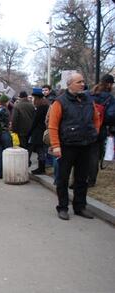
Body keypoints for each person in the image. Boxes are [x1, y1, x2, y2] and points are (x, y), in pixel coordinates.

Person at [48, 72, 101, 220]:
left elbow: (96, 119)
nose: (82, 84)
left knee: (81, 179)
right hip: (67, 146)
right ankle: (62, 207)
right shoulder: (60, 102)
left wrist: (93, 133)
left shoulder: (88, 100)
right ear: (69, 84)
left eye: (83, 81)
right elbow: (53, 126)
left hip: (85, 145)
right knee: (63, 179)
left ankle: (80, 207)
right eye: (79, 82)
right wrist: (56, 146)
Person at [87, 74, 114, 186]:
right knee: (94, 156)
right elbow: (110, 116)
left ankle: (79, 178)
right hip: (99, 130)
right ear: (109, 84)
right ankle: (91, 180)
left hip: (84, 129)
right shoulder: (110, 98)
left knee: (82, 154)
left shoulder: (89, 94)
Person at [29, 88, 49, 174]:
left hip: (39, 133)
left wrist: (29, 131)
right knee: (41, 151)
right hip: (42, 132)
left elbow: (35, 121)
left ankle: (41, 168)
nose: (33, 100)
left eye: (34, 98)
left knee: (40, 151)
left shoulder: (41, 108)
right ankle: (41, 168)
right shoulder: (45, 106)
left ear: (37, 98)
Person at [11, 91, 35, 157]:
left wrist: (14, 130)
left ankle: (23, 161)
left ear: (20, 97)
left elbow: (14, 119)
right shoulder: (32, 105)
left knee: (22, 147)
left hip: (20, 130)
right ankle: (27, 160)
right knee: (29, 146)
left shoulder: (17, 106)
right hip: (30, 130)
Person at [0, 94, 13, 179]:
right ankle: (8, 173)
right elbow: (7, 122)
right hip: (4, 133)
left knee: (0, 153)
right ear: (5, 101)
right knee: (9, 153)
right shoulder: (4, 110)